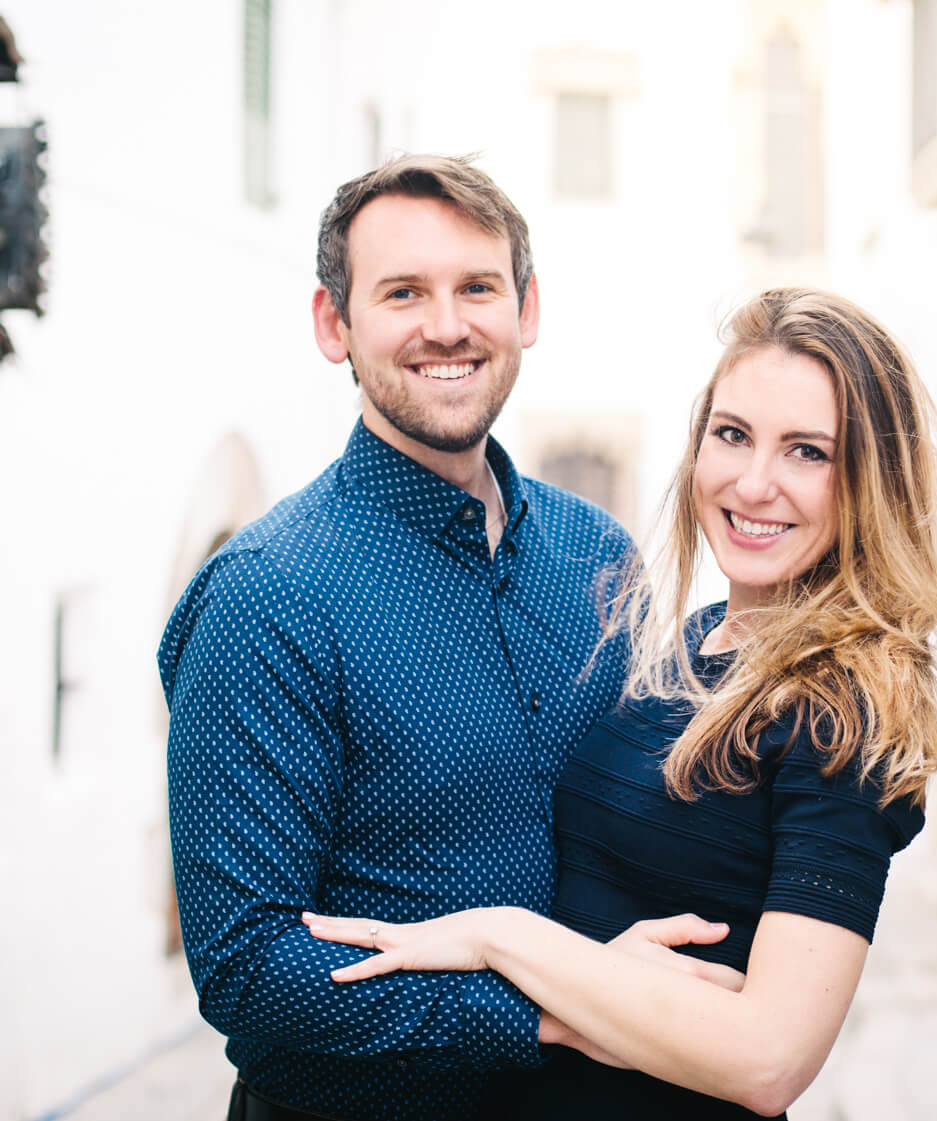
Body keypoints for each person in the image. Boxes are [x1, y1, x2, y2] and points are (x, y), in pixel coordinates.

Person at [302, 287, 937, 1119]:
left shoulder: (841, 710)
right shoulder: (698, 640)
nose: (754, 482)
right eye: (733, 435)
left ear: (869, 483)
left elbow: (769, 1058)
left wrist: (500, 934)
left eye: (807, 452)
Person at [159, 155, 710, 1121]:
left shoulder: (601, 557)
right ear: (336, 325)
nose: (447, 325)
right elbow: (246, 966)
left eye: (477, 288)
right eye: (403, 291)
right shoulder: (266, 596)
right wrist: (552, 1010)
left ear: (526, 310)